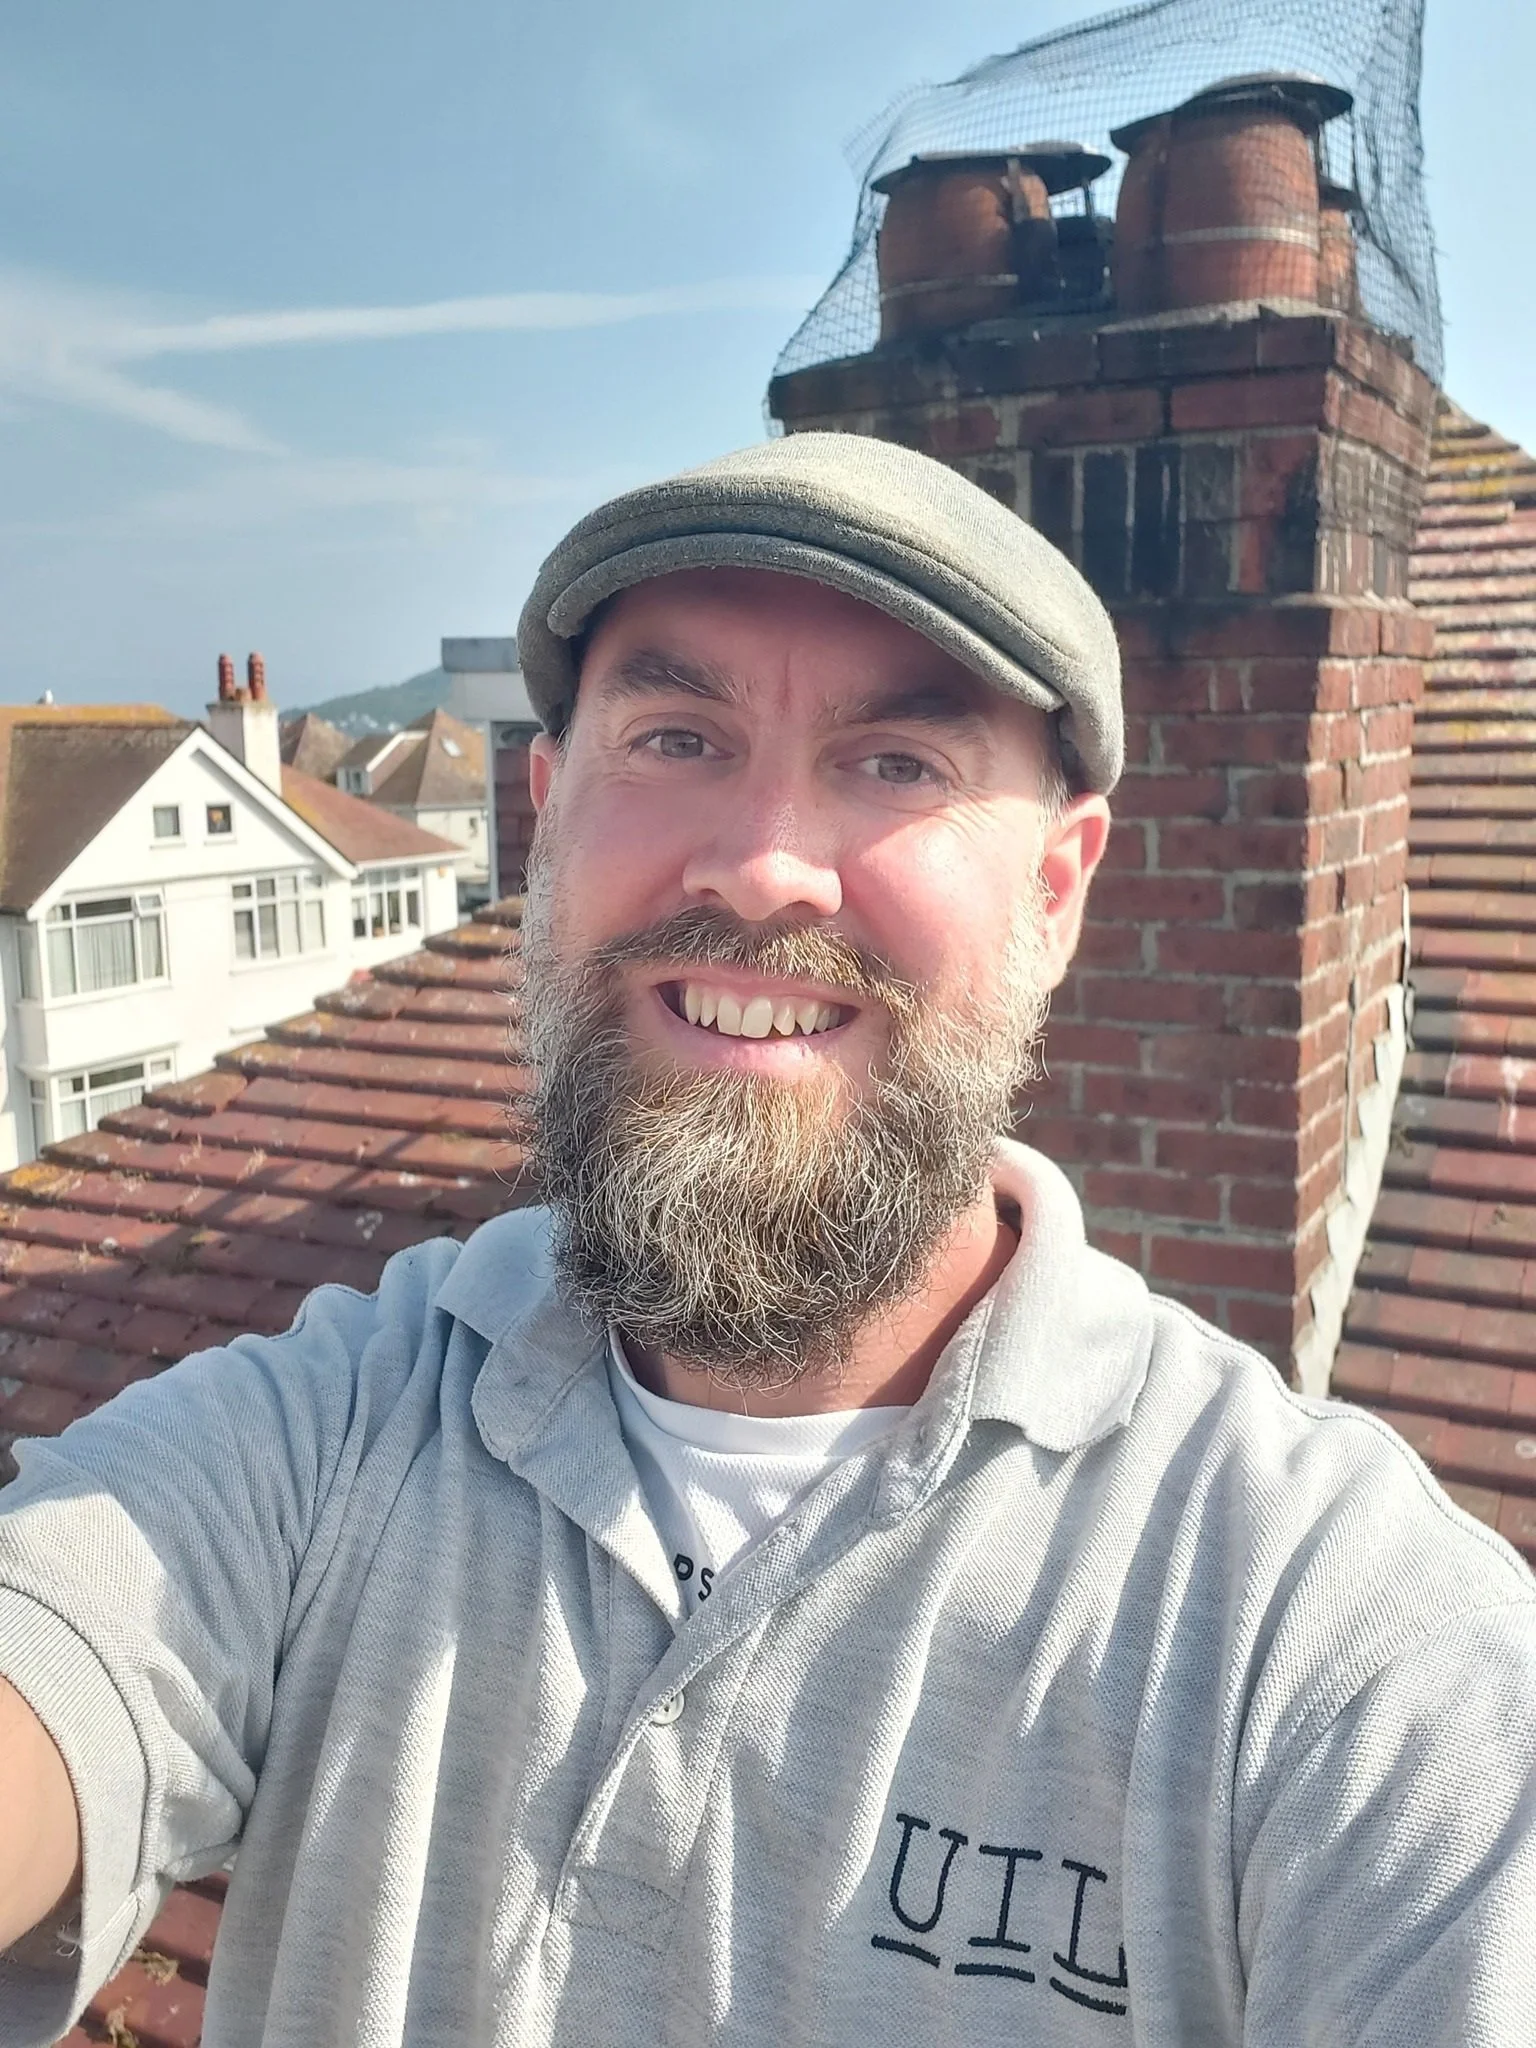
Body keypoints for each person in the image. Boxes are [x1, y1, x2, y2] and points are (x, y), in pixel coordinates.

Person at [0, 433, 1531, 2048]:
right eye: (678, 736)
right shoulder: (329, 1435)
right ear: (546, 810)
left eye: (898, 766)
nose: (761, 864)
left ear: (1060, 890)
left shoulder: (1334, 1634)